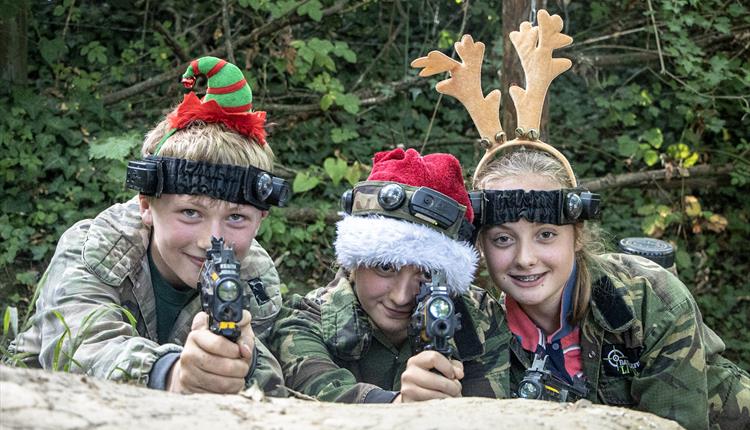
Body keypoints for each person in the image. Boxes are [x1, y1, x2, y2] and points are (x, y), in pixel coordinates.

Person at [412, 9, 749, 429]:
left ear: (578, 235)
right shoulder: (473, 326)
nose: (525, 258)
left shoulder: (648, 300)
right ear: (479, 246)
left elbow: (678, 422)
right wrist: (420, 401)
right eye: (502, 239)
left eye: (546, 234)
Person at [9, 56, 290, 396]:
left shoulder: (255, 277)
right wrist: (172, 374)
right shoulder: (93, 249)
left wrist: (242, 364)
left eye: (236, 218)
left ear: (261, 219)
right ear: (146, 205)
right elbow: (80, 346)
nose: (211, 240)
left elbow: (275, 382)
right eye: (190, 212)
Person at [269, 148, 510, 403]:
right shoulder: (304, 321)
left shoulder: (480, 319)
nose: (401, 296)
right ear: (355, 263)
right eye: (385, 266)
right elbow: (321, 394)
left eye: (427, 274)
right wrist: (398, 405)